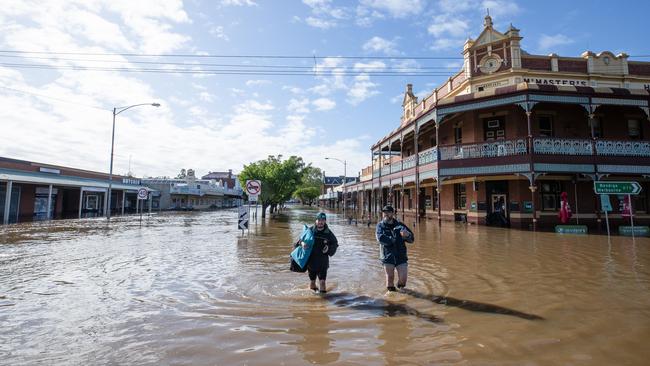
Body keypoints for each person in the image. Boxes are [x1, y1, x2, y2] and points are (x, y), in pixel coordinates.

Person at [375, 205, 414, 292]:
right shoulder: (380, 226)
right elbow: (380, 238)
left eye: (388, 212)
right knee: (390, 279)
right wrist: (393, 240)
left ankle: (401, 290)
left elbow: (412, 239)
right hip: (387, 256)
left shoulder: (400, 225)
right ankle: (392, 297)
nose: (385, 214)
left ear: (393, 213)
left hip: (401, 256)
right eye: (384, 212)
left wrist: (407, 235)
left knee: (403, 280)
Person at [299, 212, 338, 293]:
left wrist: (328, 249)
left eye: (323, 220)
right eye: (319, 220)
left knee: (322, 283)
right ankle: (313, 301)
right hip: (311, 262)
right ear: (315, 221)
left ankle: (323, 303)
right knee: (312, 283)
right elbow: (299, 241)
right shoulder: (310, 231)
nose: (321, 222)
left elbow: (335, 244)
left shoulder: (328, 233)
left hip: (323, 262)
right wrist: (302, 244)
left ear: (325, 221)